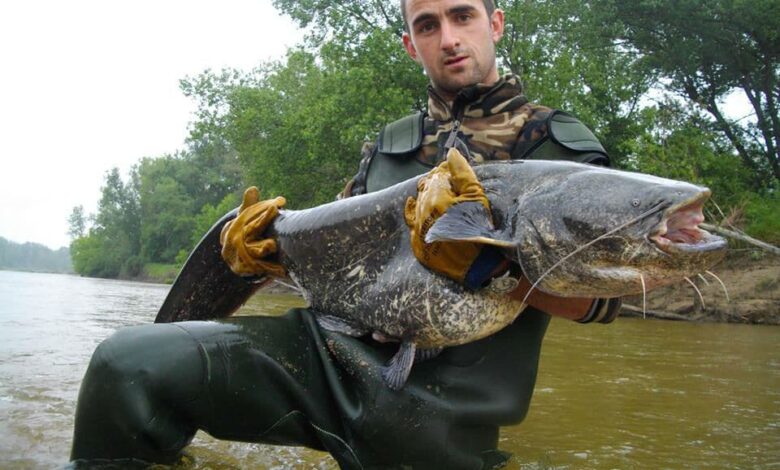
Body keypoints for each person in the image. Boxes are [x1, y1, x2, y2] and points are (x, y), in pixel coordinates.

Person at [70, 0, 619, 468]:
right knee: (127, 366)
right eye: (428, 25)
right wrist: (263, 255)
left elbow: (599, 301)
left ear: (494, 24)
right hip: (331, 358)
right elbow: (335, 258)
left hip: (444, 411)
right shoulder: (385, 147)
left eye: (462, 16)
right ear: (411, 44)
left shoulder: (559, 149)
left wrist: (488, 266)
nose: (449, 38)